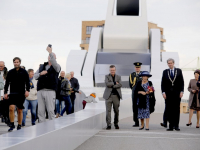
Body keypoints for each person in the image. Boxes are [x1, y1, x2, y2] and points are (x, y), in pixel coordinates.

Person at [34, 46, 61, 122]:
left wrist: (50, 52)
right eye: (49, 56)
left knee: (50, 110)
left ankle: (52, 127)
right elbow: (35, 76)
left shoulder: (57, 67)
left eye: (52, 56)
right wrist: (40, 74)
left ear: (55, 58)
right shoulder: (42, 66)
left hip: (50, 90)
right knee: (40, 110)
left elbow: (54, 62)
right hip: (40, 90)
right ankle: (41, 127)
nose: (51, 57)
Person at [4, 57, 30, 132]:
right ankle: (12, 124)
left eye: (17, 62)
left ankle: (19, 125)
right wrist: (5, 92)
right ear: (13, 63)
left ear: (20, 63)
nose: (16, 63)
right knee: (11, 108)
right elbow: (7, 83)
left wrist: (27, 90)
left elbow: (27, 82)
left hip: (21, 93)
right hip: (12, 93)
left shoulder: (24, 72)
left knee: (19, 110)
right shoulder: (10, 72)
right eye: (15, 62)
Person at [161, 58, 184, 131]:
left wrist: (182, 91)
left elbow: (182, 82)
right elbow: (163, 83)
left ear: (173, 63)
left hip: (177, 93)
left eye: (171, 63)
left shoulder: (179, 71)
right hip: (168, 94)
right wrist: (163, 92)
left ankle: (176, 126)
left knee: (176, 109)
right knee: (169, 109)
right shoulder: (165, 72)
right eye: (168, 63)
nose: (170, 64)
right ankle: (170, 126)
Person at [103, 65, 122, 130]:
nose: (112, 71)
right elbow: (107, 84)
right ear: (109, 70)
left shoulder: (118, 77)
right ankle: (108, 125)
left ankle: (116, 124)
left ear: (115, 70)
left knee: (116, 111)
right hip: (108, 96)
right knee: (108, 111)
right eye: (111, 70)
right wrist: (114, 83)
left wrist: (112, 85)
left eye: (113, 70)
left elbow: (120, 84)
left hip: (116, 96)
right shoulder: (106, 76)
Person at [129, 62, 142, 127]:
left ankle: (142, 122)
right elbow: (131, 85)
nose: (137, 68)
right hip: (134, 93)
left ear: (140, 67)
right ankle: (136, 122)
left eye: (138, 67)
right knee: (135, 107)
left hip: (142, 93)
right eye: (136, 67)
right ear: (135, 68)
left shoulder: (143, 74)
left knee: (142, 106)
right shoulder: (132, 75)